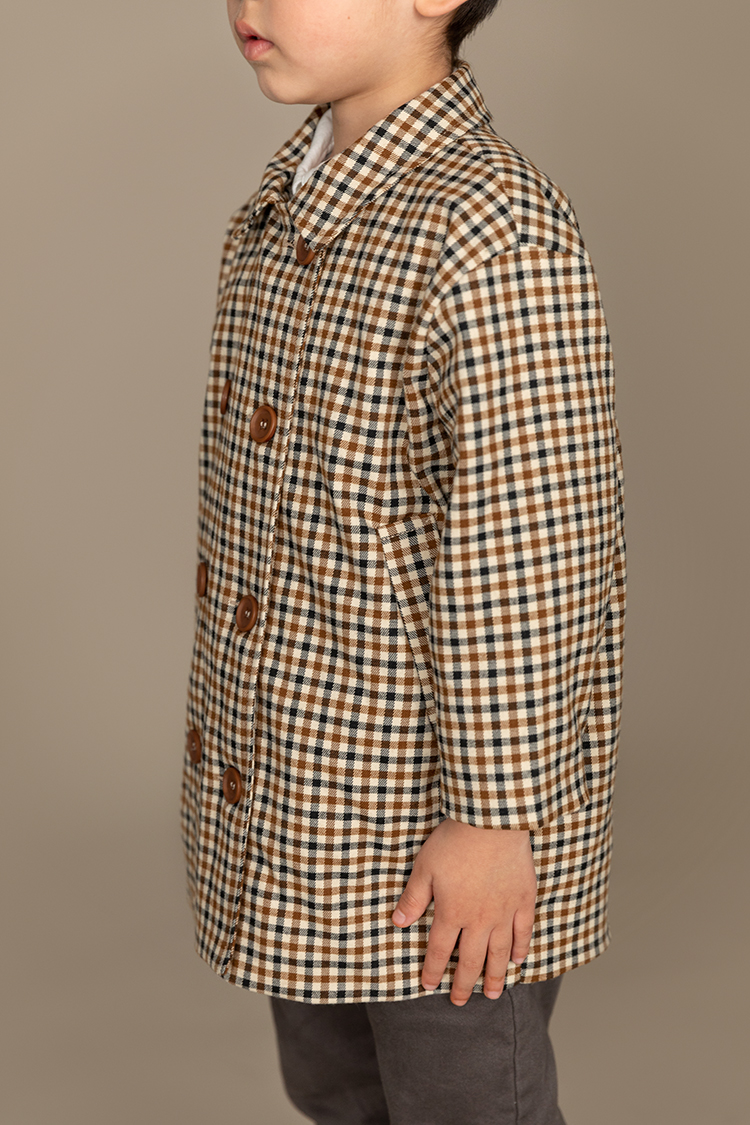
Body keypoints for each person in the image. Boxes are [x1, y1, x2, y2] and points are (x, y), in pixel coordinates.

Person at [180, 0, 626, 1121]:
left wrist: (495, 817)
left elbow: (534, 548)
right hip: (308, 797)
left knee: (462, 1098)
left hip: (444, 832)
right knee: (336, 1089)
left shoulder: (494, 230)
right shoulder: (285, 213)